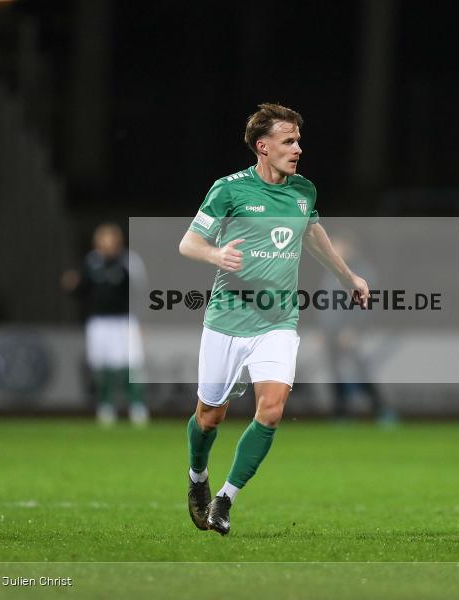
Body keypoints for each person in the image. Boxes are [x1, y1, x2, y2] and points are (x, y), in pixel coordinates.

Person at [179, 103, 369, 535]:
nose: (297, 148)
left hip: (278, 321)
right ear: (262, 147)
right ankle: (197, 478)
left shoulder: (304, 191)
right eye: (288, 141)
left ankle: (225, 498)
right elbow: (188, 243)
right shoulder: (228, 190)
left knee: (272, 409)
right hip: (228, 319)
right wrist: (215, 253)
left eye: (298, 140)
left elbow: (312, 232)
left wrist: (347, 276)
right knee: (209, 417)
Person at [63, 223, 149, 426]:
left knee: (131, 364)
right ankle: (105, 407)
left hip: (124, 321)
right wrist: (72, 284)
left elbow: (140, 293)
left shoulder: (129, 261)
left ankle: (137, 407)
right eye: (103, 241)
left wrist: (142, 321)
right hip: (99, 322)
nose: (107, 245)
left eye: (111, 240)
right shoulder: (91, 262)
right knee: (102, 366)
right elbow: (80, 290)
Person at [319, 234, 397, 425]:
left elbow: (365, 302)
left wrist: (353, 328)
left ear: (349, 246)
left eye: (336, 244)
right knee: (335, 374)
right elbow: (325, 303)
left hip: (348, 332)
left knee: (359, 371)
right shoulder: (331, 271)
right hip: (331, 332)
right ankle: (340, 413)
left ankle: (381, 409)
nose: (333, 248)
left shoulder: (361, 271)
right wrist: (322, 329)